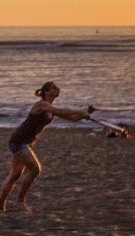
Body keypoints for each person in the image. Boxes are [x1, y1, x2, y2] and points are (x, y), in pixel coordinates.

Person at [2, 83, 99, 211]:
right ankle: (20, 202)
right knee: (36, 169)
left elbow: (74, 119)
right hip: (19, 141)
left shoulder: (50, 109)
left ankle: (0, 205)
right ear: (46, 92)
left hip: (23, 142)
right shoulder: (41, 105)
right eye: (54, 88)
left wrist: (86, 113)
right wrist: (81, 111)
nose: (58, 89)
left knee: (14, 175)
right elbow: (62, 111)